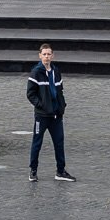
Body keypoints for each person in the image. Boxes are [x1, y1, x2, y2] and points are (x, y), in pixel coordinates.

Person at [26, 43, 75, 183]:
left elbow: (60, 91)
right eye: (44, 54)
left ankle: (60, 171)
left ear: (52, 56)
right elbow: (30, 94)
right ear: (40, 55)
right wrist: (41, 106)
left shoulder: (56, 71)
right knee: (37, 143)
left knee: (59, 143)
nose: (47, 57)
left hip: (56, 115)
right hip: (41, 116)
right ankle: (33, 171)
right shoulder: (36, 72)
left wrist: (62, 106)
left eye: (49, 54)